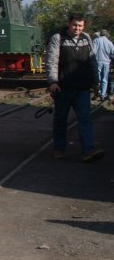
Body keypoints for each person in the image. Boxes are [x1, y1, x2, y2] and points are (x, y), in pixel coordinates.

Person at [46, 13, 104, 162]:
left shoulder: (86, 38)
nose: (77, 28)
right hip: (63, 87)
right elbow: (52, 61)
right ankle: (59, 148)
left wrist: (95, 82)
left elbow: (92, 61)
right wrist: (53, 81)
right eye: (74, 25)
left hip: (82, 88)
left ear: (84, 26)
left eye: (80, 25)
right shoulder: (58, 39)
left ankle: (88, 151)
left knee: (85, 119)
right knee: (61, 119)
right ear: (69, 23)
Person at [91, 29, 114, 100]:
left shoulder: (96, 40)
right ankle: (103, 94)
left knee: (97, 78)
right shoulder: (110, 42)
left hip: (98, 61)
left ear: (101, 34)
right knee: (105, 78)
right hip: (107, 62)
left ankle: (98, 91)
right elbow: (113, 53)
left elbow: (93, 52)